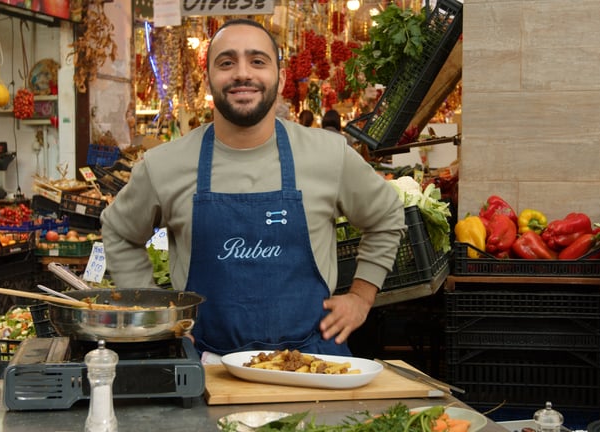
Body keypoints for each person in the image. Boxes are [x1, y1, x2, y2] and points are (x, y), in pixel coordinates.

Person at [100, 18, 405, 357]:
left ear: (282, 77)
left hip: (314, 367)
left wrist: (362, 296)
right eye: (226, 62)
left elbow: (387, 215)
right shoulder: (164, 165)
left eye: (258, 61)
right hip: (206, 369)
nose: (242, 73)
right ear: (208, 79)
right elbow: (119, 230)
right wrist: (156, 318)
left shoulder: (329, 155)